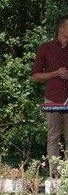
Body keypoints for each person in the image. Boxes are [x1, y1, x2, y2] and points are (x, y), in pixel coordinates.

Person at [31, 17, 68, 165]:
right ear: (61, 29)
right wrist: (55, 73)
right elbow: (34, 76)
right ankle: (54, 176)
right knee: (53, 137)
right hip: (53, 99)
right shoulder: (46, 48)